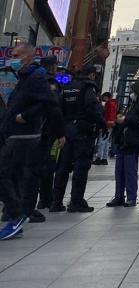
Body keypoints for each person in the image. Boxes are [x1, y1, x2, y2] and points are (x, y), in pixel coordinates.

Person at [0, 43, 58, 240]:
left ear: (26, 57)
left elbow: (50, 102)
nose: (12, 58)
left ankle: (17, 215)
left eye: (15, 55)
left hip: (24, 136)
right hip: (14, 135)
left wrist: (26, 116)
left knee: (7, 173)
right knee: (13, 176)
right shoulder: (25, 77)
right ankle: (15, 215)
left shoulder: (36, 77)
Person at [51, 64, 105, 213]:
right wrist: (101, 121)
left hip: (68, 131)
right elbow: (92, 107)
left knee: (63, 167)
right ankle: (76, 201)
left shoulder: (67, 86)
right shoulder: (89, 87)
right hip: (83, 131)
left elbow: (60, 108)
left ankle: (56, 201)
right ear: (92, 75)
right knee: (81, 167)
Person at [24, 57, 64, 222]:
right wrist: (60, 133)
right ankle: (37, 203)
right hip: (43, 132)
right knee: (42, 168)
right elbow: (52, 109)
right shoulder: (49, 83)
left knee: (29, 168)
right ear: (53, 66)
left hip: (27, 130)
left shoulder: (29, 80)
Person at [107, 81, 139, 208]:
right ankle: (119, 196)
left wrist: (125, 119)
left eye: (132, 91)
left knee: (130, 170)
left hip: (132, 141)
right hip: (123, 141)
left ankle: (131, 197)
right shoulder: (131, 104)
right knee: (119, 170)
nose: (131, 94)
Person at [93, 92, 117, 165]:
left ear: (106, 97)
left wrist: (105, 125)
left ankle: (99, 158)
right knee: (106, 142)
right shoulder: (113, 103)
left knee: (102, 141)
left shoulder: (109, 104)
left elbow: (108, 115)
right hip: (110, 124)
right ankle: (104, 158)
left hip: (107, 124)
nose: (102, 98)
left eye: (103, 97)